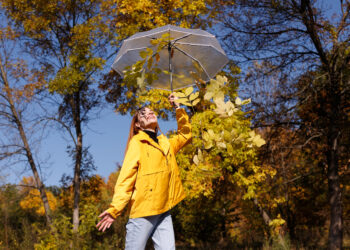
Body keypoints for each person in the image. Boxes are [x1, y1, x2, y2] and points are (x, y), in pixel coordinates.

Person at [96, 94, 191, 250]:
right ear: (138, 125)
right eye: (143, 113)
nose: (149, 113)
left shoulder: (165, 143)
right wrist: (115, 209)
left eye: (150, 111)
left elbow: (185, 135)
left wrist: (178, 108)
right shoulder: (137, 143)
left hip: (163, 210)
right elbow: (125, 179)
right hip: (143, 212)